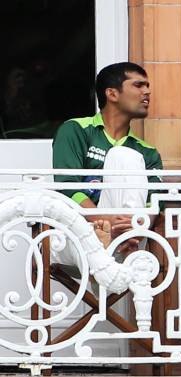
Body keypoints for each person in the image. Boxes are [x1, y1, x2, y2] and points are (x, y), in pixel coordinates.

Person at [52, 62, 162, 267]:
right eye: (138, 85)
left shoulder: (147, 152)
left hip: (128, 238)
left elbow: (154, 202)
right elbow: (67, 187)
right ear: (112, 94)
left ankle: (120, 238)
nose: (147, 91)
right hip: (75, 235)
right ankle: (114, 238)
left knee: (125, 155)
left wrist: (132, 226)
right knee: (122, 155)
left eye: (147, 86)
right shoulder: (75, 130)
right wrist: (108, 222)